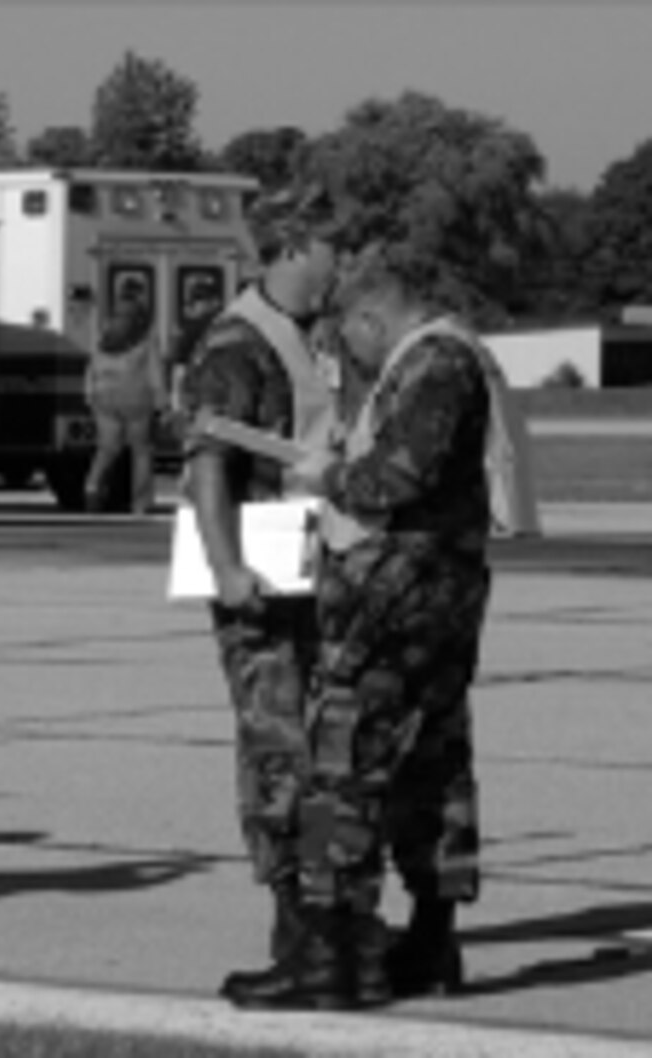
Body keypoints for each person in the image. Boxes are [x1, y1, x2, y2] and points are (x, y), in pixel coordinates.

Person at [225, 245, 501, 1012]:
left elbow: (398, 478)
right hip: (434, 597)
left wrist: (328, 476)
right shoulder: (449, 357)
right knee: (431, 764)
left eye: (351, 337)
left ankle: (326, 959)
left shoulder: (434, 363)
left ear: (374, 317)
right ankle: (429, 941)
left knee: (339, 769)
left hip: (396, 601)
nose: (351, 353)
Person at [176, 184, 344, 997]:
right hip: (263, 587)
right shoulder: (238, 347)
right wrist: (225, 567)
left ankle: (325, 929)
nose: (340, 264)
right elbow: (208, 461)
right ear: (291, 247)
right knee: (281, 753)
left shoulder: (313, 340)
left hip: (318, 579)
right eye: (331, 248)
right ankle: (298, 931)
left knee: (324, 757)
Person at [82, 288, 161, 514]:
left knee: (106, 448)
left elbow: (92, 367)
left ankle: (92, 486)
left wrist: (89, 393)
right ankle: (140, 503)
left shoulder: (105, 336)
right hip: (136, 397)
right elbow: (155, 373)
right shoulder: (145, 338)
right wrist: (162, 401)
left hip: (103, 396)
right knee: (142, 451)